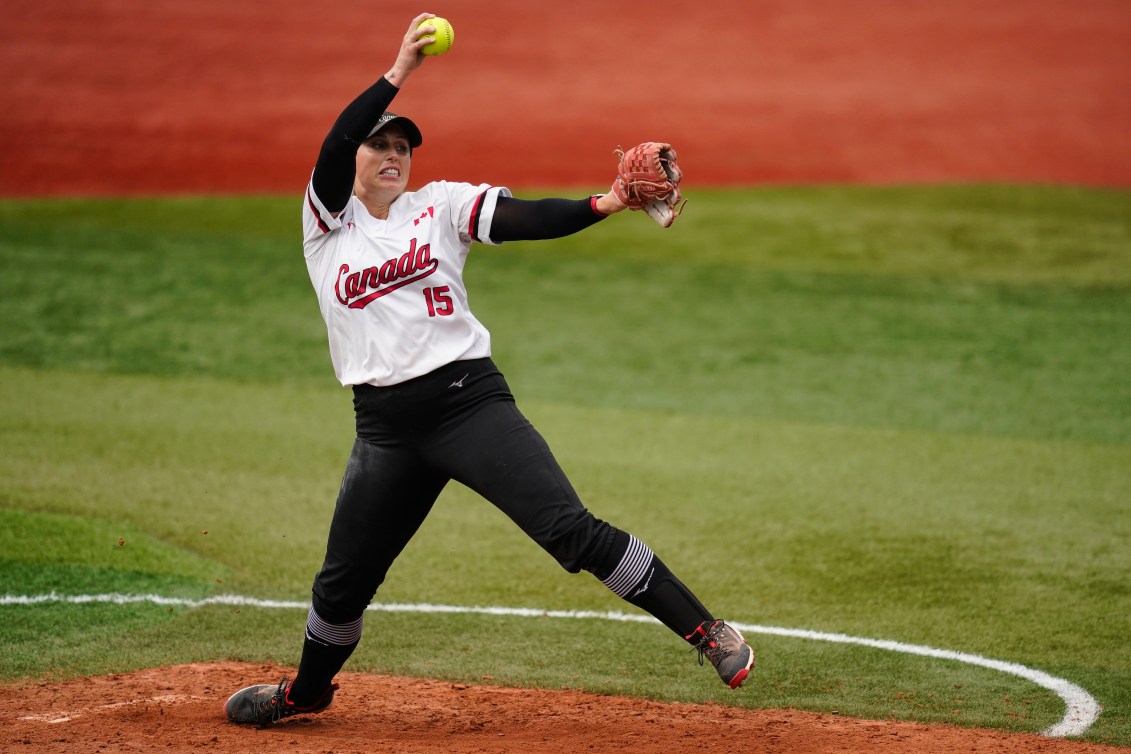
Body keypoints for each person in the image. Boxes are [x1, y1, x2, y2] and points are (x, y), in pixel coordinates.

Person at [224, 13, 753, 727]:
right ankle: (306, 692)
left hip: (468, 407)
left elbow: (525, 217)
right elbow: (333, 140)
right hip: (384, 431)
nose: (392, 153)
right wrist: (399, 69)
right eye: (378, 144)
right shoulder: (326, 227)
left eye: (401, 146)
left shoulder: (438, 207)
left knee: (570, 530)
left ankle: (708, 632)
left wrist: (607, 202)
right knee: (342, 585)